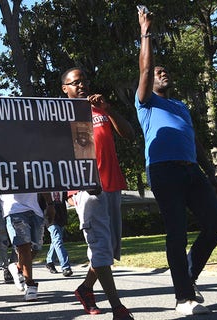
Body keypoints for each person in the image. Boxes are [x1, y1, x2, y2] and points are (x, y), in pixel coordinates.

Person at [137, 8, 217, 316]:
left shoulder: (181, 106)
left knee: (216, 225)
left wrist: (210, 172)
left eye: (165, 71)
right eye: (158, 71)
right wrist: (145, 32)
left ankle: (189, 275)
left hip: (192, 171)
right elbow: (146, 71)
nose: (163, 73)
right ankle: (183, 298)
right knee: (176, 231)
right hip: (163, 171)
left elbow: (195, 140)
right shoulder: (146, 102)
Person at [61, 67, 135, 319]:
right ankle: (118, 307)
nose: (81, 86)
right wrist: (74, 186)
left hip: (111, 184)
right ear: (65, 88)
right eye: (75, 83)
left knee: (109, 249)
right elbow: (56, 156)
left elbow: (129, 134)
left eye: (84, 81)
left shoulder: (99, 109)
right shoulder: (60, 116)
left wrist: (109, 108)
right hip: (87, 190)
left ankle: (85, 289)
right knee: (101, 247)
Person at [0, 193, 53, 302]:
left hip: (35, 211)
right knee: (24, 247)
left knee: (36, 247)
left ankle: (17, 266)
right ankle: (30, 285)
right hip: (13, 210)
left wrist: (50, 204)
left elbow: (42, 182)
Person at [44, 191, 73, 277]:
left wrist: (76, 202)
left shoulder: (60, 184)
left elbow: (67, 198)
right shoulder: (43, 186)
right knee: (57, 240)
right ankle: (65, 267)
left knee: (56, 240)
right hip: (50, 218)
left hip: (61, 216)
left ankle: (49, 261)